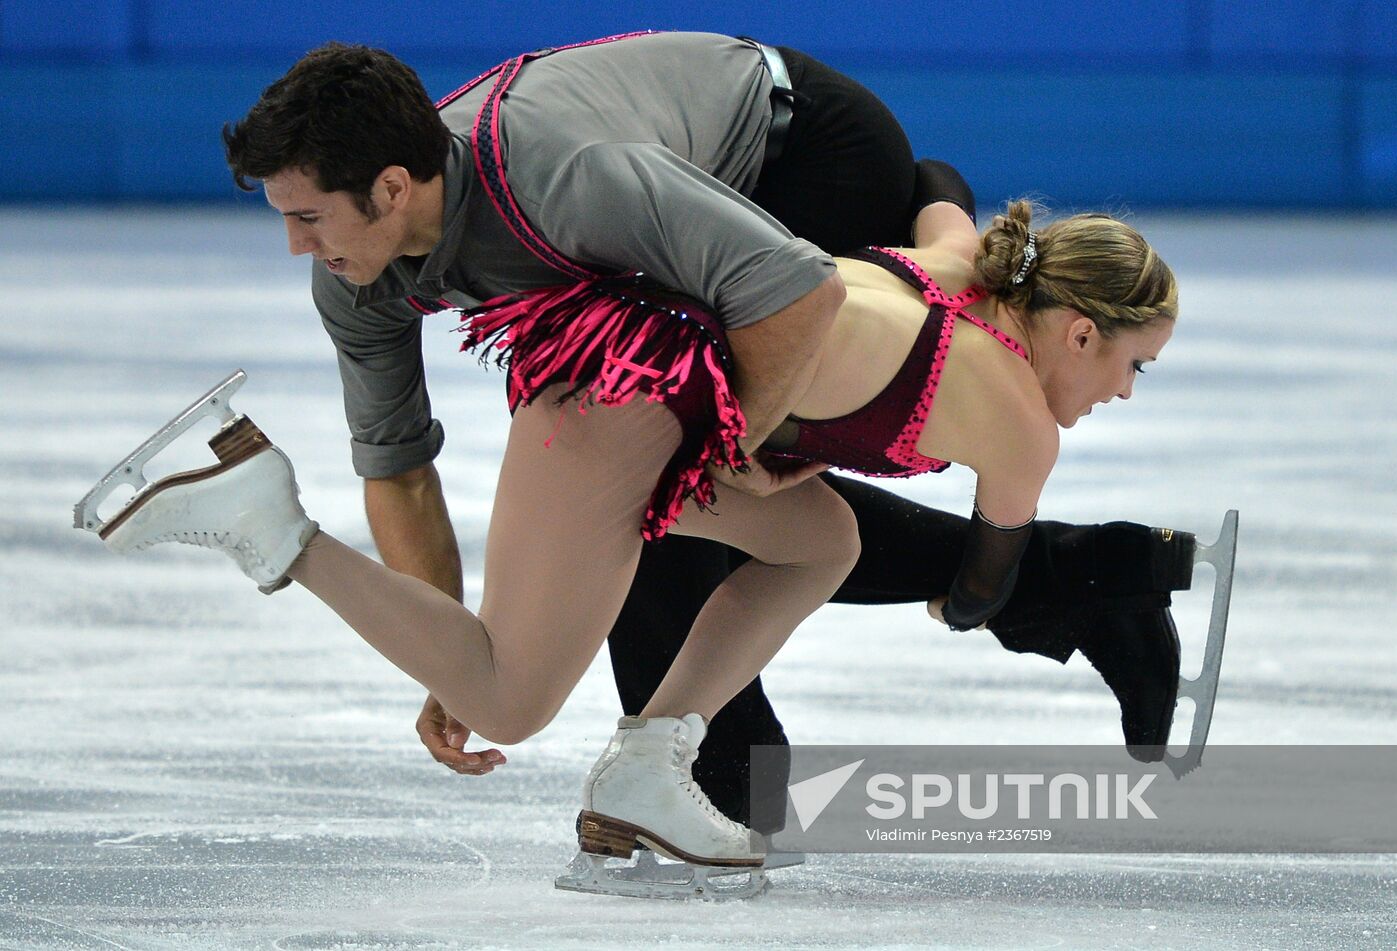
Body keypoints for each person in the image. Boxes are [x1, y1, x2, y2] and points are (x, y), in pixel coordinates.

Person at [213, 34, 1195, 836]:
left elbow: (794, 290)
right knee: (695, 508)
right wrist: (442, 651)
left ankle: (693, 770)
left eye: (308, 218)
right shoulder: (356, 271)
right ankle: (697, 764)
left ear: (390, 188)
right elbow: (399, 467)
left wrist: (730, 451)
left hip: (795, 152)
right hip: (657, 292)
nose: (298, 246)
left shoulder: (567, 182)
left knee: (709, 503)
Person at [89, 189, 1177, 872]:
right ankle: (270, 521)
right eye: (1131, 367)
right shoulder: (1022, 433)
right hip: (630, 403)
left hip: (638, 369)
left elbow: (938, 195)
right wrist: (969, 598)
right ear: (1075, 331)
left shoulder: (957, 265)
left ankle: (649, 765)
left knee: (820, 541)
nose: (1124, 395)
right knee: (506, 695)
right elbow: (987, 585)